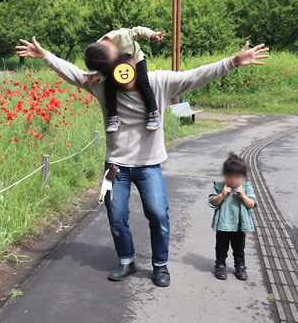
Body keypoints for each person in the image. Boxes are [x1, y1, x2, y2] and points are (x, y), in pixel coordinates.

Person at [15, 36, 269, 287]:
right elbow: (73, 74)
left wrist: (233, 61)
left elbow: (196, 75)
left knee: (159, 214)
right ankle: (127, 260)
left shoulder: (158, 82)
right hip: (115, 166)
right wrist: (45, 56)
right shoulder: (102, 84)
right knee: (116, 217)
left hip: (149, 165)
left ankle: (160, 265)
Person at [84, 27, 165, 133]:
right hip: (116, 67)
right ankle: (113, 118)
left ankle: (154, 114)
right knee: (108, 86)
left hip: (136, 59)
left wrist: (152, 35)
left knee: (142, 81)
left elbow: (138, 31)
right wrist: (98, 76)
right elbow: (105, 70)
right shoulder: (97, 55)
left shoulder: (121, 36)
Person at [208, 153, 257, 281]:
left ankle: (240, 266)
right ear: (225, 175)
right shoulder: (220, 186)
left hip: (239, 226)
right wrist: (222, 194)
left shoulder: (246, 187)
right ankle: (220, 265)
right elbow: (213, 202)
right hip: (223, 225)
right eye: (229, 176)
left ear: (243, 177)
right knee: (221, 247)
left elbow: (252, 204)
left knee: (239, 249)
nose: (233, 180)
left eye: (237, 177)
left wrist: (243, 196)